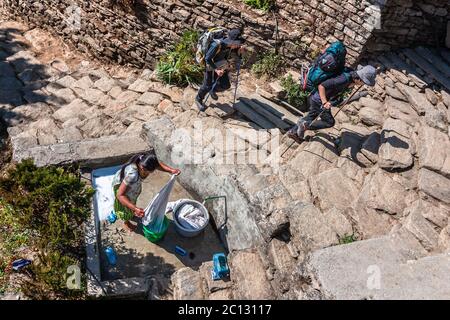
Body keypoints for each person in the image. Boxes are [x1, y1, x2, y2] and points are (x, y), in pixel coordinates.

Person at [287, 65, 377, 142]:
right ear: (359, 79)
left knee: (312, 116)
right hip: (319, 100)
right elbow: (321, 86)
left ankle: (293, 132)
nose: (363, 84)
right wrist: (325, 102)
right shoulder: (343, 79)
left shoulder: (350, 77)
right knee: (329, 122)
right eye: (364, 82)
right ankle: (304, 126)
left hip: (315, 97)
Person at [112, 151, 181, 231]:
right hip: (121, 189)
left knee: (131, 203)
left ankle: (131, 212)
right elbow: (120, 195)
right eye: (147, 173)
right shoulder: (132, 175)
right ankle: (126, 222)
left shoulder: (143, 160)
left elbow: (158, 165)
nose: (147, 175)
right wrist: (134, 208)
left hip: (130, 186)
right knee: (125, 209)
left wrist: (171, 170)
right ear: (142, 168)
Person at [195, 28, 245, 111]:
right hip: (210, 65)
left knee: (226, 85)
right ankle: (198, 99)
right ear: (232, 42)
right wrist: (216, 70)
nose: (239, 45)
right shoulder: (216, 45)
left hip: (222, 65)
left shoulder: (231, 46)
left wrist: (240, 52)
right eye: (238, 43)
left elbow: (236, 56)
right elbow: (207, 59)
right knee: (207, 85)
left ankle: (212, 89)